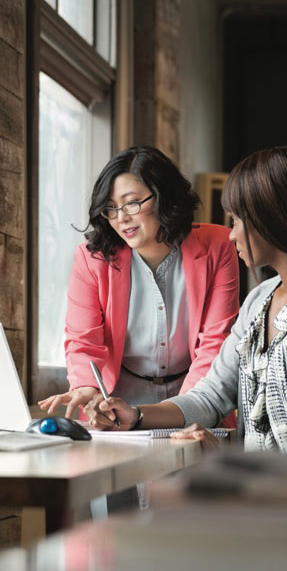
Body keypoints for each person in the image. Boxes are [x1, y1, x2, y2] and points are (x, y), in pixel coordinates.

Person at [84, 146, 287, 463]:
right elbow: (210, 397)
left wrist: (249, 471)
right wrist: (137, 416)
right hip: (270, 499)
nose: (231, 234)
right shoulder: (259, 300)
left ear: (274, 217)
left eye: (238, 220)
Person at [38, 146, 239, 429]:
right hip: (119, 408)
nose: (121, 218)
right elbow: (83, 342)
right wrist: (87, 387)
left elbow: (216, 343)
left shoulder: (218, 245)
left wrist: (185, 410)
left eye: (131, 203)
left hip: (196, 397)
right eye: (110, 208)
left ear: (163, 197)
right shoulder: (91, 259)